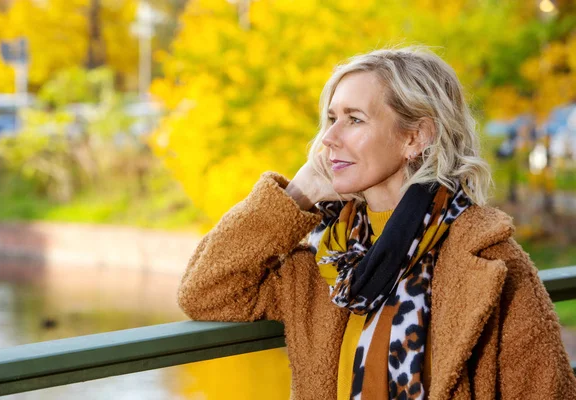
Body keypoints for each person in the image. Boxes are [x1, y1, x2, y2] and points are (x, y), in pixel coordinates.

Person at [178, 47, 576, 400]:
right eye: (330, 118)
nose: (329, 138)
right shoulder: (328, 261)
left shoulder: (490, 262)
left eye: (354, 119)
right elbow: (205, 291)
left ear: (415, 137)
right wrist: (295, 196)